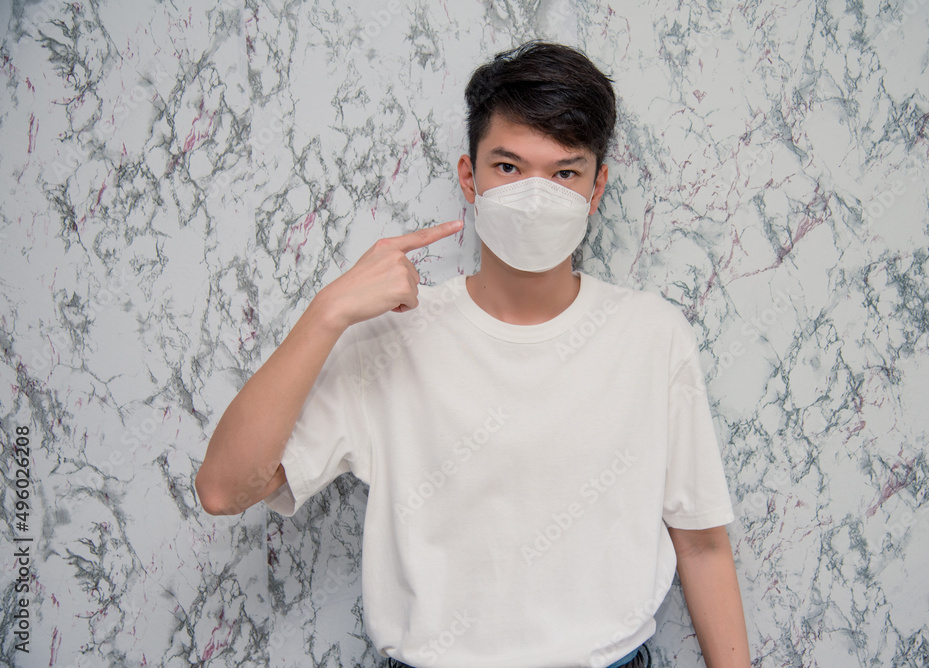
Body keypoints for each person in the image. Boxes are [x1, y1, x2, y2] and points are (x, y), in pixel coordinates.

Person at [195, 42, 751, 668]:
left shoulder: (652, 335)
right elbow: (223, 488)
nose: (535, 194)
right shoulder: (392, 336)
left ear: (596, 188)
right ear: (470, 177)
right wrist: (328, 313)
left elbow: (702, 546)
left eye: (564, 172)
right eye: (509, 167)